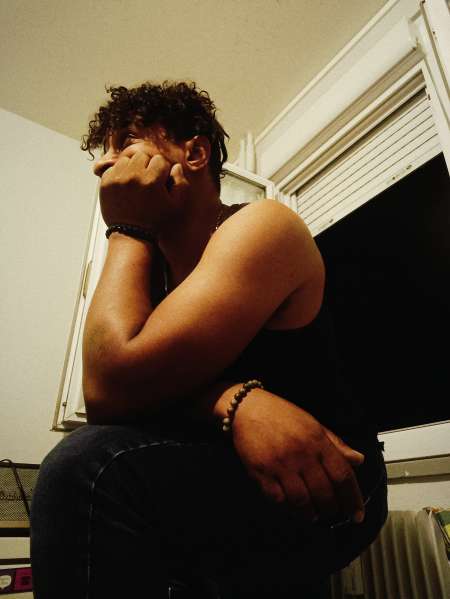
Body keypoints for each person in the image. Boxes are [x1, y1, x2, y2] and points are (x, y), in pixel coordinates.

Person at [30, 81, 387, 598]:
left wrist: (127, 226)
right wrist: (231, 402)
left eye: (125, 144)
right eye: (105, 153)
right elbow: (112, 403)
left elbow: (111, 388)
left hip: (334, 478)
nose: (106, 167)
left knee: (90, 468)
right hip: (232, 463)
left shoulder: (263, 226)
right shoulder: (150, 278)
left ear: (194, 155)